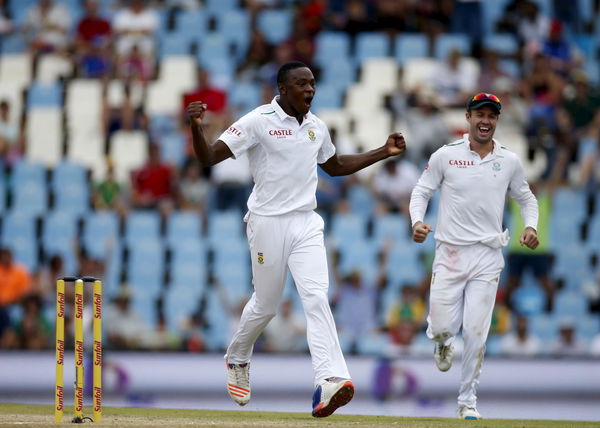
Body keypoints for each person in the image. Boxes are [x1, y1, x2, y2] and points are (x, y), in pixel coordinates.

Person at [187, 61, 406, 418]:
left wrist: (382, 151)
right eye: (302, 84)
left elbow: (334, 167)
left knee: (317, 297)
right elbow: (209, 156)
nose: (310, 90)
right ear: (283, 89)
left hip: (306, 222)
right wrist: (196, 128)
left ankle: (330, 380)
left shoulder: (316, 126)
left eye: (313, 84)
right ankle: (238, 356)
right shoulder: (258, 120)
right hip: (267, 223)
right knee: (267, 304)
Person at [409, 92, 539, 420]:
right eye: (480, 115)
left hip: (487, 254)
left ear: (497, 120)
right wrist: (417, 221)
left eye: (491, 116)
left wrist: (531, 227)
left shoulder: (509, 160)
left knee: (477, 333)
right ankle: (441, 340)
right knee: (441, 327)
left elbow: (526, 198)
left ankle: (467, 401)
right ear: (467, 117)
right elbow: (422, 190)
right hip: (450, 253)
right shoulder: (446, 155)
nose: (485, 121)